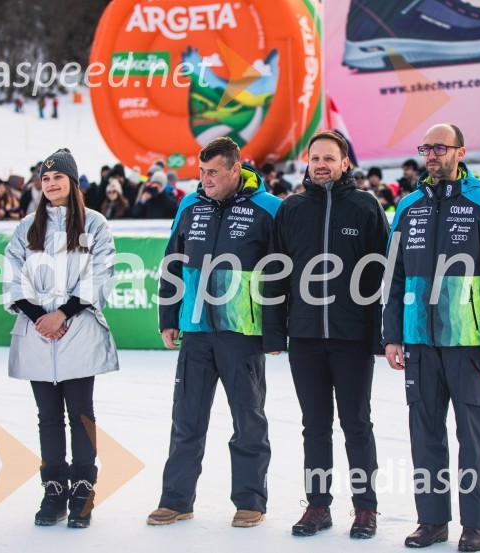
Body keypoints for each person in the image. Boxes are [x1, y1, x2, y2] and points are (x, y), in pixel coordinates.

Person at [382, 124, 480, 552]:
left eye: (440, 147)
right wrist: (392, 335)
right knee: (425, 435)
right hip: (419, 343)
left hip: (469, 344)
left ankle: (476, 524)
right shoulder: (408, 206)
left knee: (474, 435)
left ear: (460, 151)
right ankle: (432, 520)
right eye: (426, 148)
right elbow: (393, 276)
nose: (431, 154)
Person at [263, 131, 389, 539]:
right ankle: (317, 506)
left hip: (351, 338)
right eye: (315, 158)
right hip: (304, 337)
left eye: (329, 158)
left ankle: (365, 508)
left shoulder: (366, 207)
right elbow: (275, 273)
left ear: (345, 162)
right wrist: (274, 332)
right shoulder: (292, 209)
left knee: (357, 424)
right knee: (314, 425)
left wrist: (379, 337)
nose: (321, 164)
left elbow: (381, 277)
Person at [150, 137, 280, 529]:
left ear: (235, 170)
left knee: (248, 419)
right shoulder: (190, 205)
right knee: (186, 417)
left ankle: (250, 500)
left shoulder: (269, 208)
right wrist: (168, 316)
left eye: (212, 173)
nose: (204, 180)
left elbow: (280, 274)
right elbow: (172, 262)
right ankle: (176, 499)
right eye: (201, 172)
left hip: (242, 332)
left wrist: (275, 333)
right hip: (196, 329)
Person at [4, 148, 119, 528]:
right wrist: (41, 317)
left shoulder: (95, 224)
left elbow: (100, 273)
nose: (51, 184)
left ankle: (83, 491)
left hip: (77, 333)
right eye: (46, 178)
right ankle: (53, 490)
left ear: (73, 182)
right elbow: (13, 273)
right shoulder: (26, 228)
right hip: (38, 334)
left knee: (81, 413)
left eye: (59, 177)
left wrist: (63, 314)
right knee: (48, 417)